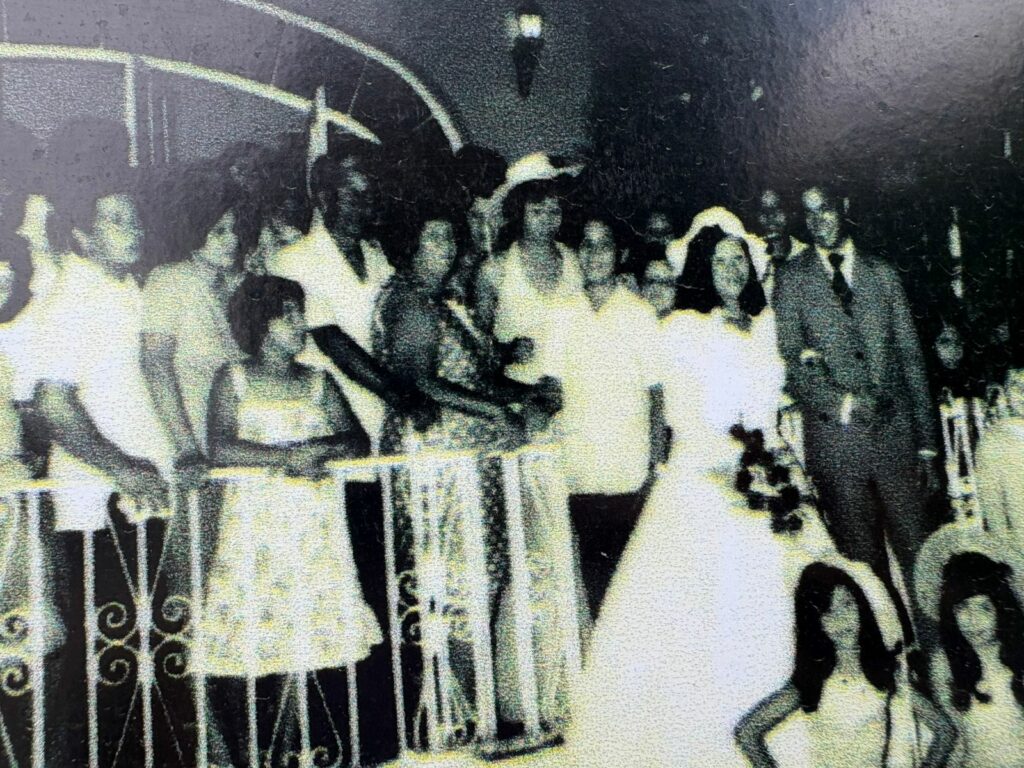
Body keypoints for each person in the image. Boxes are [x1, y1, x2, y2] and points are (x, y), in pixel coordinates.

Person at [553, 232, 797, 766]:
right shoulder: (685, 329)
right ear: (702, 270)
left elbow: (770, 409)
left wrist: (774, 462)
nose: (731, 269)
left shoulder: (767, 326)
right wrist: (727, 462)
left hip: (768, 474)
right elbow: (681, 412)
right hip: (710, 475)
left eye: (739, 259)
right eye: (720, 260)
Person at [201, 274, 381, 766]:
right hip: (255, 526)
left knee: (303, 643)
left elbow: (358, 441)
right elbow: (220, 447)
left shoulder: (319, 380)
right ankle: (246, 755)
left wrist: (317, 448)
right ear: (261, 323)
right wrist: (286, 458)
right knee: (248, 641)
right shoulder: (232, 378)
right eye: (290, 315)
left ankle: (292, 751)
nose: (301, 324)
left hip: (312, 525)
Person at [774, 186, 941, 651]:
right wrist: (844, 404)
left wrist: (927, 446)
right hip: (838, 445)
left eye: (825, 209)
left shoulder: (882, 275)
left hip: (895, 440)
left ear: (844, 208)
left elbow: (911, 360)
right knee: (865, 571)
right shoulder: (791, 280)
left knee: (920, 556)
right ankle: (891, 668)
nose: (818, 221)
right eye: (808, 214)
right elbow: (792, 363)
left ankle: (940, 665)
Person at [736, 562, 956, 768]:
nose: (842, 620)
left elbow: (944, 731)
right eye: (829, 613)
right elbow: (747, 732)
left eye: (847, 605)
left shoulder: (886, 671)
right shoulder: (812, 682)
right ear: (815, 623)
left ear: (860, 606)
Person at [560, 219, 662, 618]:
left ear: (619, 254)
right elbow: (550, 388)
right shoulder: (563, 312)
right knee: (596, 581)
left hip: (630, 471)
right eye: (586, 244)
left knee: (635, 581)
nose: (594, 254)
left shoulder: (640, 314)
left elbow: (657, 395)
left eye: (603, 245)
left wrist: (655, 467)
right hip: (581, 470)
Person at [140, 189, 249, 482]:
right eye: (219, 232)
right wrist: (187, 449)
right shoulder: (170, 280)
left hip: (235, 440)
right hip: (188, 437)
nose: (232, 240)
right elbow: (156, 365)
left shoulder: (238, 285)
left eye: (234, 230)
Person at [930, 552, 1024, 768]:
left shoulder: (1019, 656)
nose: (973, 621)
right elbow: (962, 740)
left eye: (984, 608)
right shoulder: (943, 664)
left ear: (1001, 609)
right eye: (962, 608)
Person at [974, 367, 1024, 551]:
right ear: (1005, 392)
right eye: (1017, 386)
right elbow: (993, 508)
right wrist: (1006, 552)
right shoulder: (992, 442)